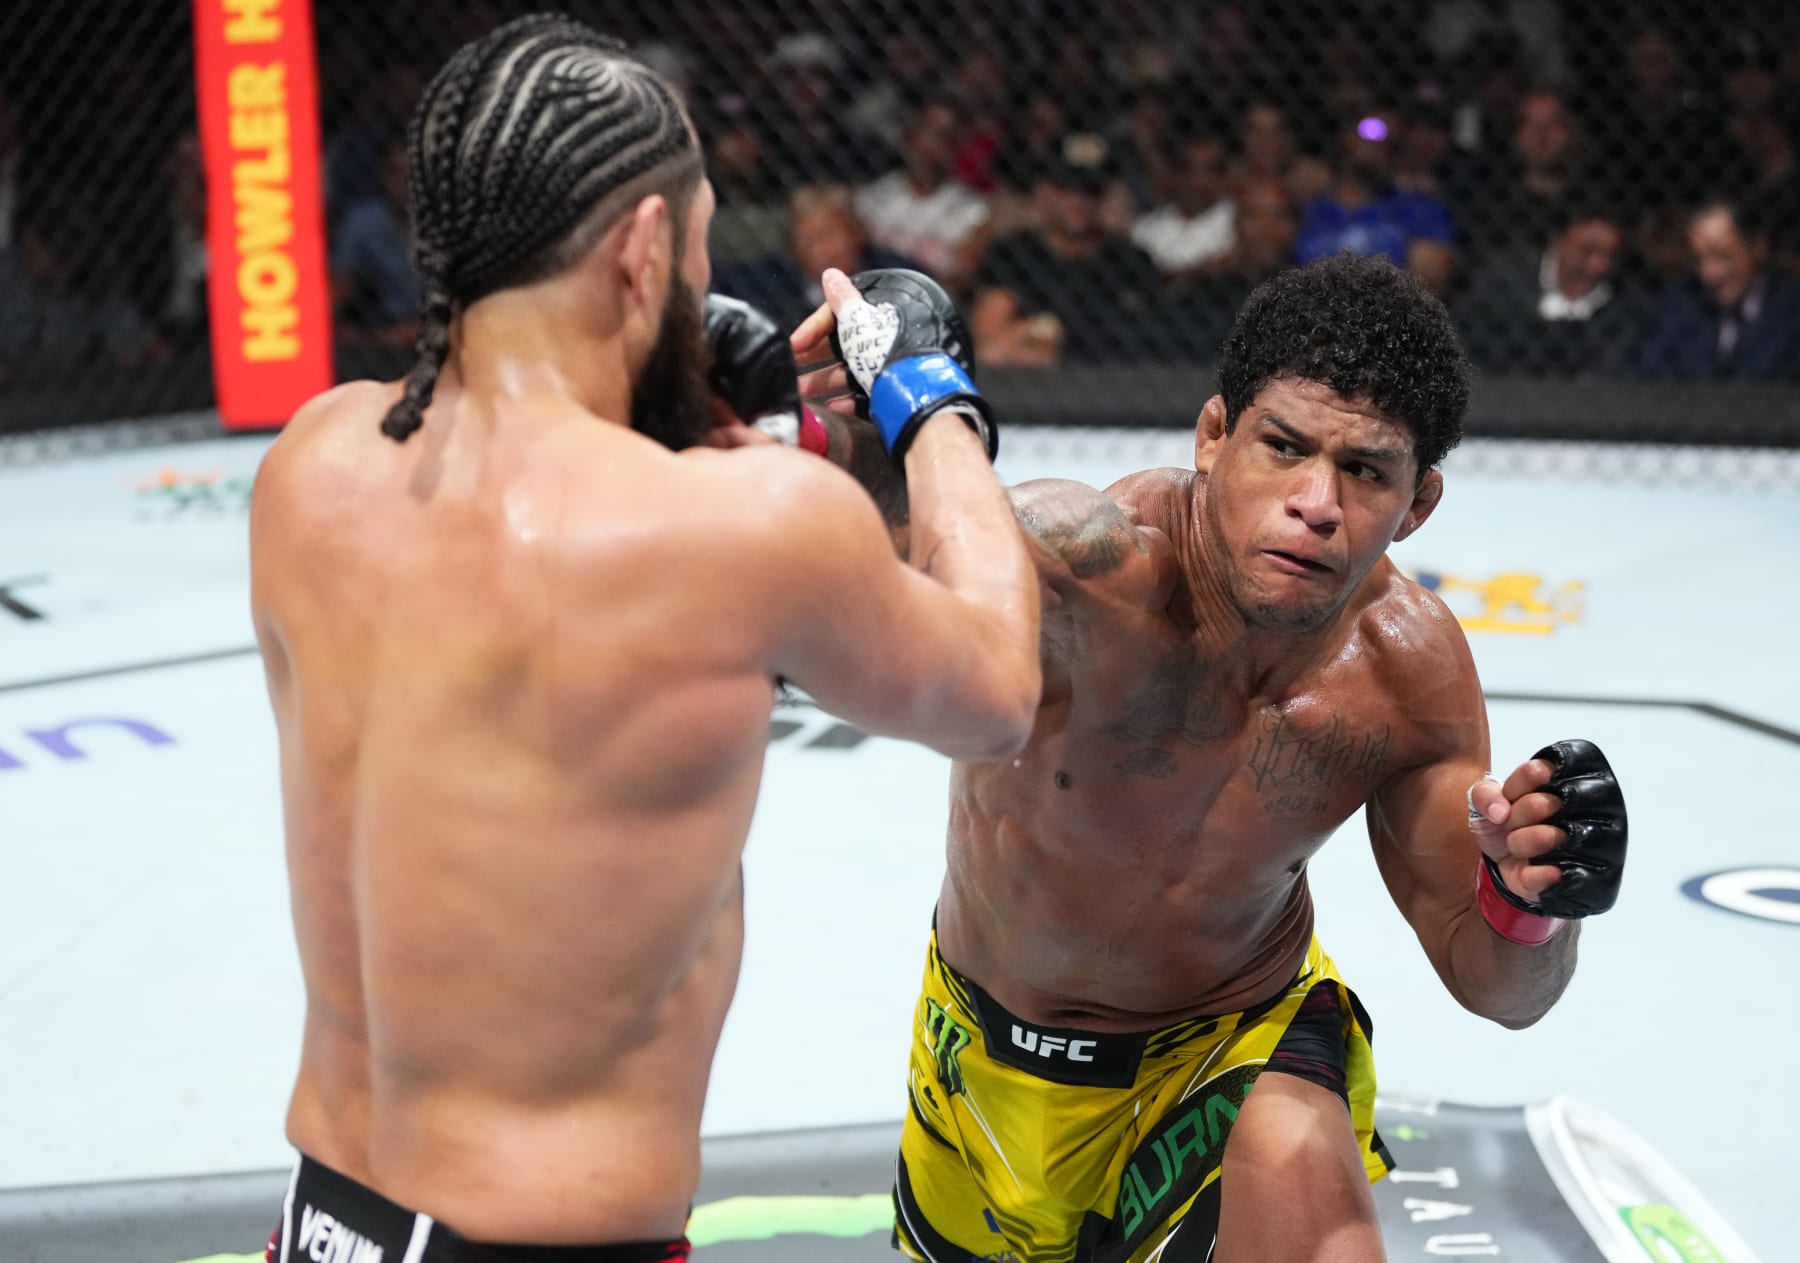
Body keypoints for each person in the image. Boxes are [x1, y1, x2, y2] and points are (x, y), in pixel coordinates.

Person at [248, 18, 1042, 1262]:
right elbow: (997, 690)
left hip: (325, 1217)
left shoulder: (313, 463)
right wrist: (934, 400)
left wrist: (674, 424)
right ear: (645, 246)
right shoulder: (745, 531)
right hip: (547, 1238)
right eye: (704, 236)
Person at [812, 254, 1630, 1262]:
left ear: (1417, 505)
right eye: (1283, 447)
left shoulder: (1408, 673)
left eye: (1365, 471)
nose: (1315, 502)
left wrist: (1534, 899)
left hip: (1232, 1048)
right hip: (987, 1063)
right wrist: (852, 437)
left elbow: (1500, 989)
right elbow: (888, 582)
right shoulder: (1088, 562)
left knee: (1306, 1187)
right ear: (1214, 436)